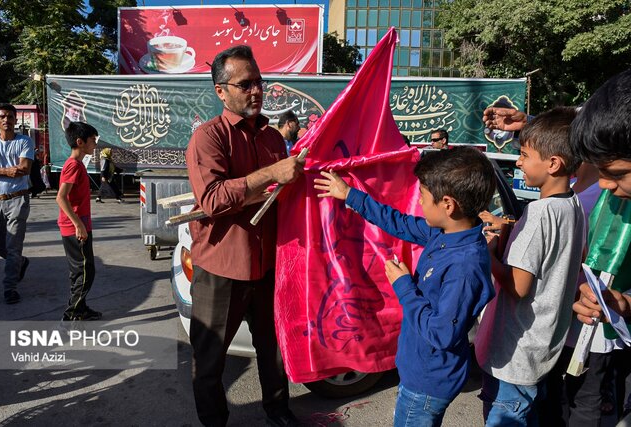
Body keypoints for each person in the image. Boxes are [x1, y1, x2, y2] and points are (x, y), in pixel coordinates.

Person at [314, 147, 497, 427]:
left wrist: (403, 286)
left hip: (427, 382)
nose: (420, 204)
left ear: (448, 204)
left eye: (422, 197)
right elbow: (398, 223)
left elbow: (441, 333)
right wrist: (350, 194)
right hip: (420, 370)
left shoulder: (464, 266)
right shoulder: (446, 232)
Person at [185, 45, 304, 427]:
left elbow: (281, 193)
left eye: (259, 81)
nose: (256, 90)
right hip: (222, 268)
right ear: (221, 91)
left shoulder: (271, 137)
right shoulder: (209, 137)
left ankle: (279, 410)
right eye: (245, 84)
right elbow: (214, 200)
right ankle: (214, 421)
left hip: (268, 264)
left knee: (274, 350)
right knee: (210, 358)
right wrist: (270, 175)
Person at [474, 107, 586, 426]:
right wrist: (509, 232)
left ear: (553, 164)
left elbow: (519, 287)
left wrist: (488, 254)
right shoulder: (574, 204)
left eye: (523, 154)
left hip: (514, 359)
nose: (519, 162)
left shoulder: (538, 215)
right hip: (542, 350)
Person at [570, 69, 631, 422]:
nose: (604, 185)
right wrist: (622, 303)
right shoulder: (617, 204)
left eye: (618, 172)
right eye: (598, 170)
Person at [55, 122, 102, 321]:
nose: (95, 145)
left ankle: (81, 308)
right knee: (85, 272)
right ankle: (72, 312)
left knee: (80, 270)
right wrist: (78, 224)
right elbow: (61, 197)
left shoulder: (78, 164)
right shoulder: (73, 165)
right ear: (79, 142)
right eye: (92, 141)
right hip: (75, 227)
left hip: (79, 225)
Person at [0, 103, 34, 304]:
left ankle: (10, 288)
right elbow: (14, 170)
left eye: (10, 117)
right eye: (2, 117)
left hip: (18, 199)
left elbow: (24, 168)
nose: (6, 120)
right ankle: (21, 263)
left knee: (13, 245)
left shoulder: (25, 141)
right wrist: (7, 171)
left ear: (16, 120)